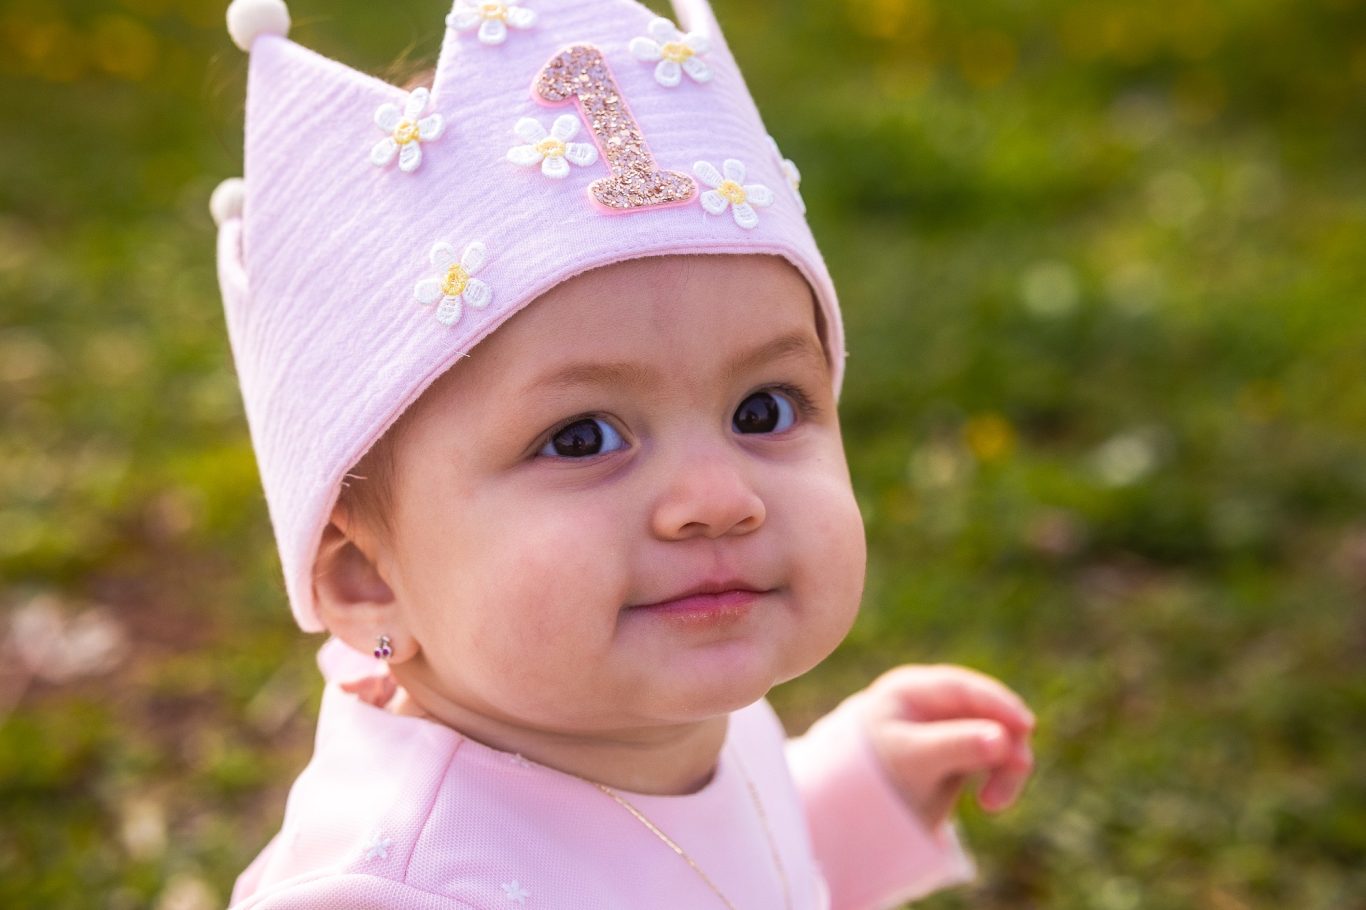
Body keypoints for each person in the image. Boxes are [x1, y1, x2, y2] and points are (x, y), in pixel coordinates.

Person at [210, 0, 1035, 907]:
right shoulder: (401, 889)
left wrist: (845, 799)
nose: (719, 498)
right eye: (581, 437)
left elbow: (681, 868)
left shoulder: (659, 704)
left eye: (762, 410)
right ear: (369, 577)